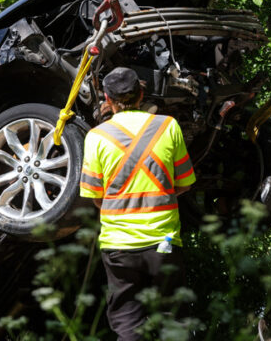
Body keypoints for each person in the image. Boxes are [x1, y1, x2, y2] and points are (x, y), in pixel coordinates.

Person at [80, 67, 196, 341]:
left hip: (119, 246)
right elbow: (186, 183)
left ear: (107, 99)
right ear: (142, 93)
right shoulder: (168, 126)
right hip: (164, 241)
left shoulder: (97, 137)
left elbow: (95, 197)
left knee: (128, 322)